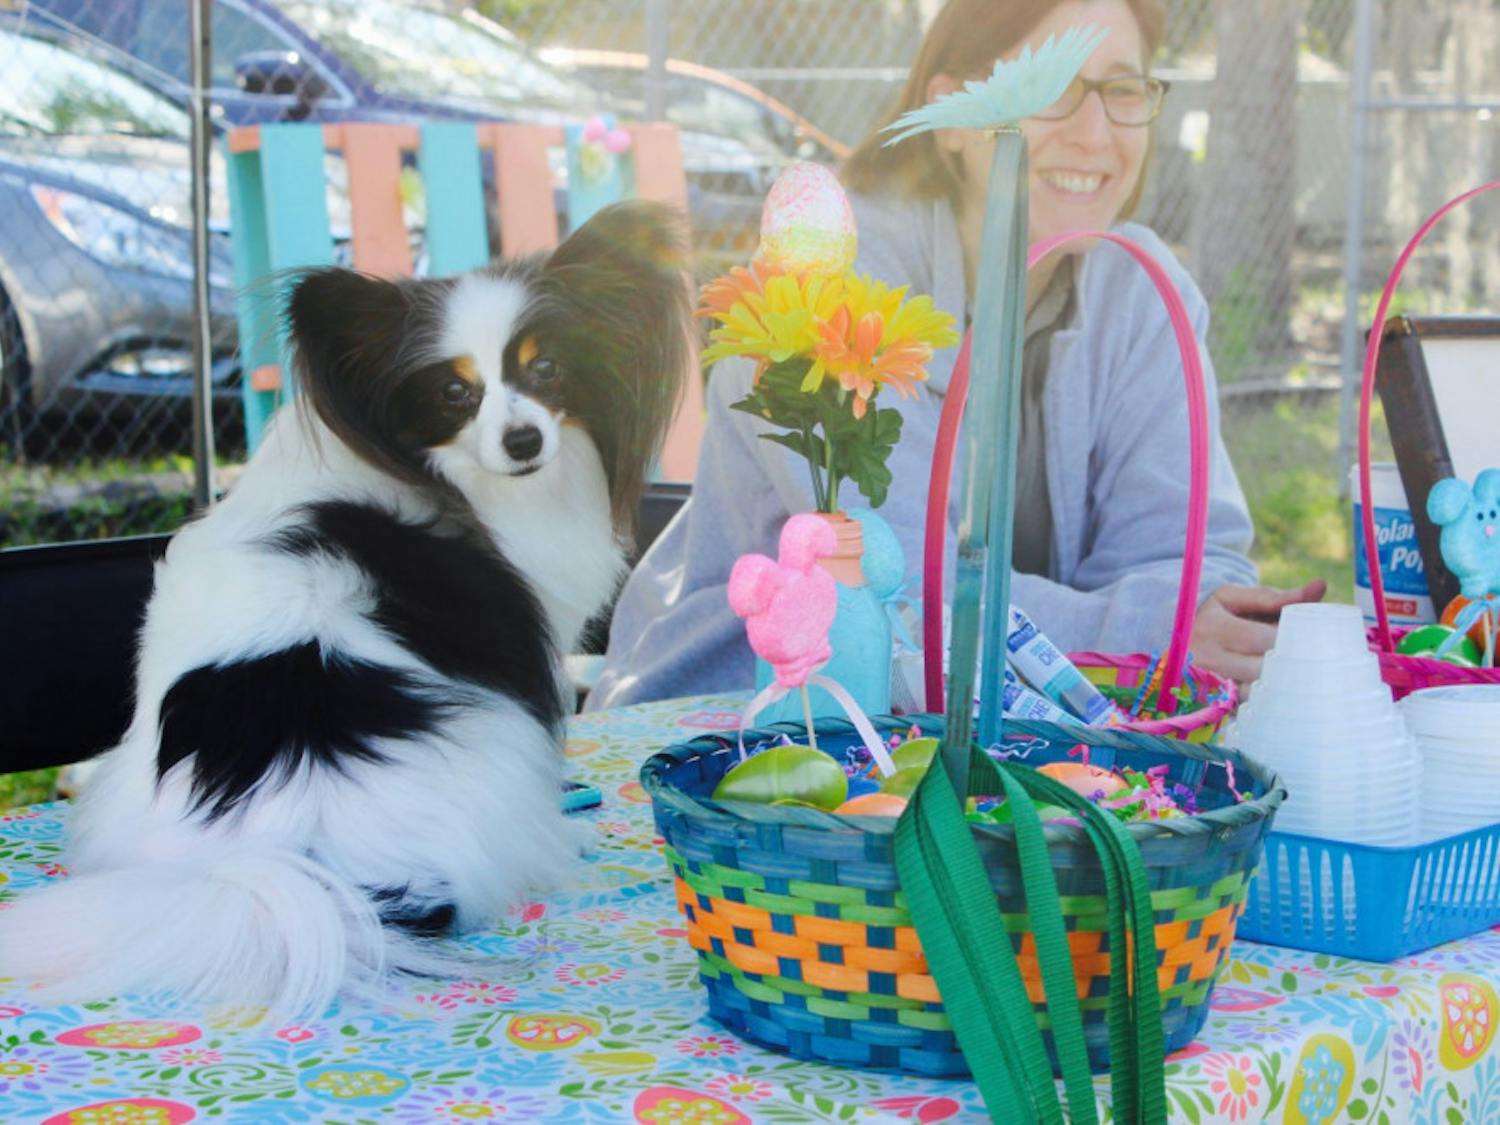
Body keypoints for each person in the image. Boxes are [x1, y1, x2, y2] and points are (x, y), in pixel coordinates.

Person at [587, 0, 1324, 711]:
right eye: (1054, 87)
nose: (1097, 133)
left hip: (1020, 735)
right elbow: (895, 591)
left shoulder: (1144, 292)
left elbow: (1196, 566)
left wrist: (1202, 623)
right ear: (951, 118)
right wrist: (1140, 631)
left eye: (1122, 90)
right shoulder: (831, 276)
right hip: (747, 733)